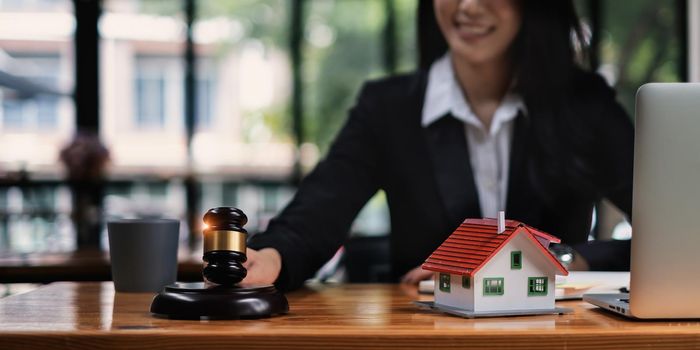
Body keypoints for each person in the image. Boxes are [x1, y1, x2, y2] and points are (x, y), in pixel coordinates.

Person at [243, 0, 634, 291]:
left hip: (556, 334)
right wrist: (272, 258)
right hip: (427, 331)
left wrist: (564, 259)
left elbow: (675, 235)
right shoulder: (388, 108)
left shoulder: (585, 106)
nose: (467, 6)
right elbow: (317, 213)